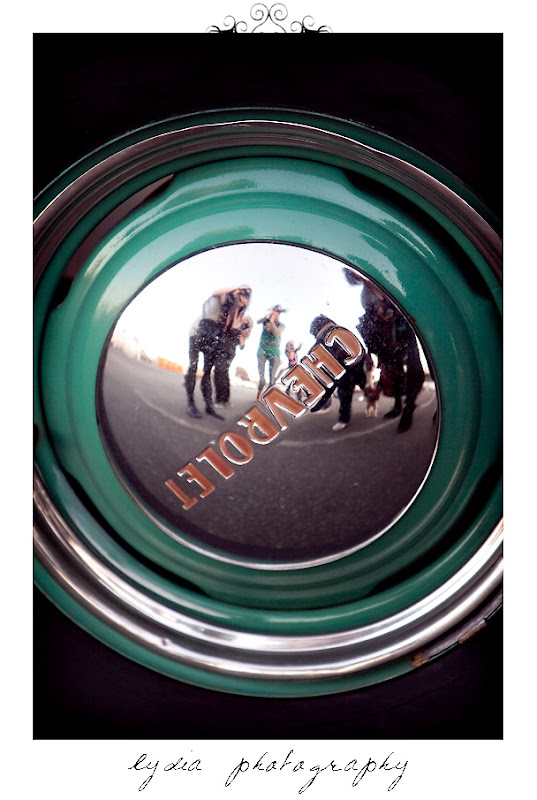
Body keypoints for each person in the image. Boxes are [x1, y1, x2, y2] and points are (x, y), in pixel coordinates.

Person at [358, 285, 424, 432]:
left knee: (414, 368)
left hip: (404, 332)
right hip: (388, 340)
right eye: (375, 309)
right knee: (395, 372)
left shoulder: (390, 295)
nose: (380, 311)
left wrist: (394, 313)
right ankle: (398, 405)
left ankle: (409, 407)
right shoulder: (369, 309)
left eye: (381, 308)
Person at [185, 286, 252, 419]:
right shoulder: (222, 298)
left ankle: (209, 405)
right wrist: (238, 288)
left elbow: (232, 327)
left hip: (211, 337)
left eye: (246, 297)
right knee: (193, 366)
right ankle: (191, 403)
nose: (242, 298)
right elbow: (215, 293)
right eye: (241, 294)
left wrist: (242, 323)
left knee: (207, 371)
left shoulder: (232, 310)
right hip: (197, 332)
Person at [309, 314, 366, 431]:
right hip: (343, 367)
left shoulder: (336, 333)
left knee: (358, 384)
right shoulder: (324, 340)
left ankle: (343, 417)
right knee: (342, 387)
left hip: (354, 363)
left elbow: (359, 349)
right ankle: (341, 416)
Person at [256, 305, 286, 397]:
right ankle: (258, 396)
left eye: (278, 312)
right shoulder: (265, 321)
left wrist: (272, 321)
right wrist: (268, 316)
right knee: (261, 376)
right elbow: (258, 322)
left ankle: (269, 398)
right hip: (263, 349)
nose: (276, 314)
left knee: (272, 378)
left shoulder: (281, 325)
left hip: (274, 351)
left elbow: (276, 334)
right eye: (275, 311)